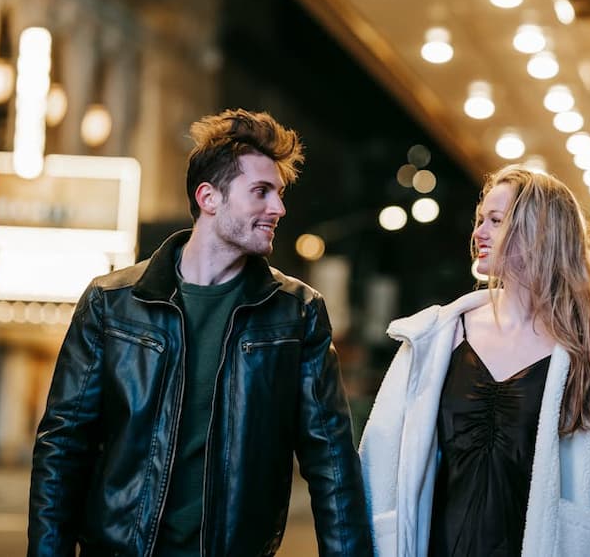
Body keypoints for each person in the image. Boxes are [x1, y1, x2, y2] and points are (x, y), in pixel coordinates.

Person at [28, 109, 371, 557]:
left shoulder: (297, 314)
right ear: (209, 198)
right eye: (261, 192)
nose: (279, 209)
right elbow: (63, 446)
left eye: (280, 194)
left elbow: (332, 464)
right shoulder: (111, 303)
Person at [359, 165, 590, 557]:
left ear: (539, 231)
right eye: (480, 221)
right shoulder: (434, 338)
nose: (478, 233)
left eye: (495, 221)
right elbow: (378, 465)